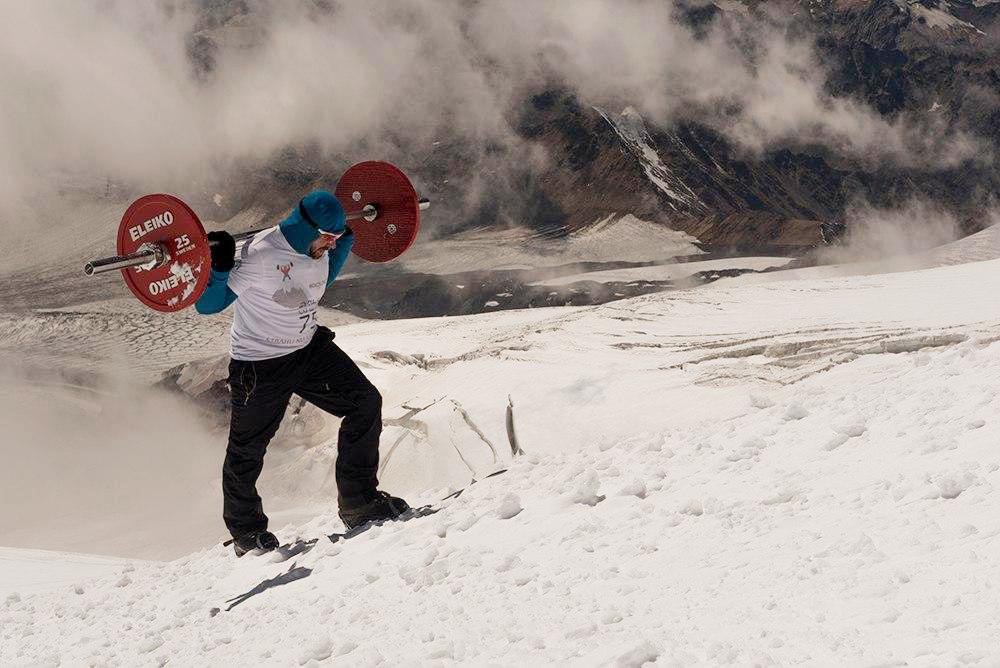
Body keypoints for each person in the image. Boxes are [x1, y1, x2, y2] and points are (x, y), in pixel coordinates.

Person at [195, 190, 409, 556]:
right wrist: (217, 267)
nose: (331, 244)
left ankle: (359, 503)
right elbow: (208, 305)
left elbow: (319, 280)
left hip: (308, 350)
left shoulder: (322, 248)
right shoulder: (260, 256)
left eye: (335, 239)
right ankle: (247, 533)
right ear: (303, 228)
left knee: (365, 403)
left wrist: (345, 239)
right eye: (327, 237)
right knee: (247, 450)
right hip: (260, 364)